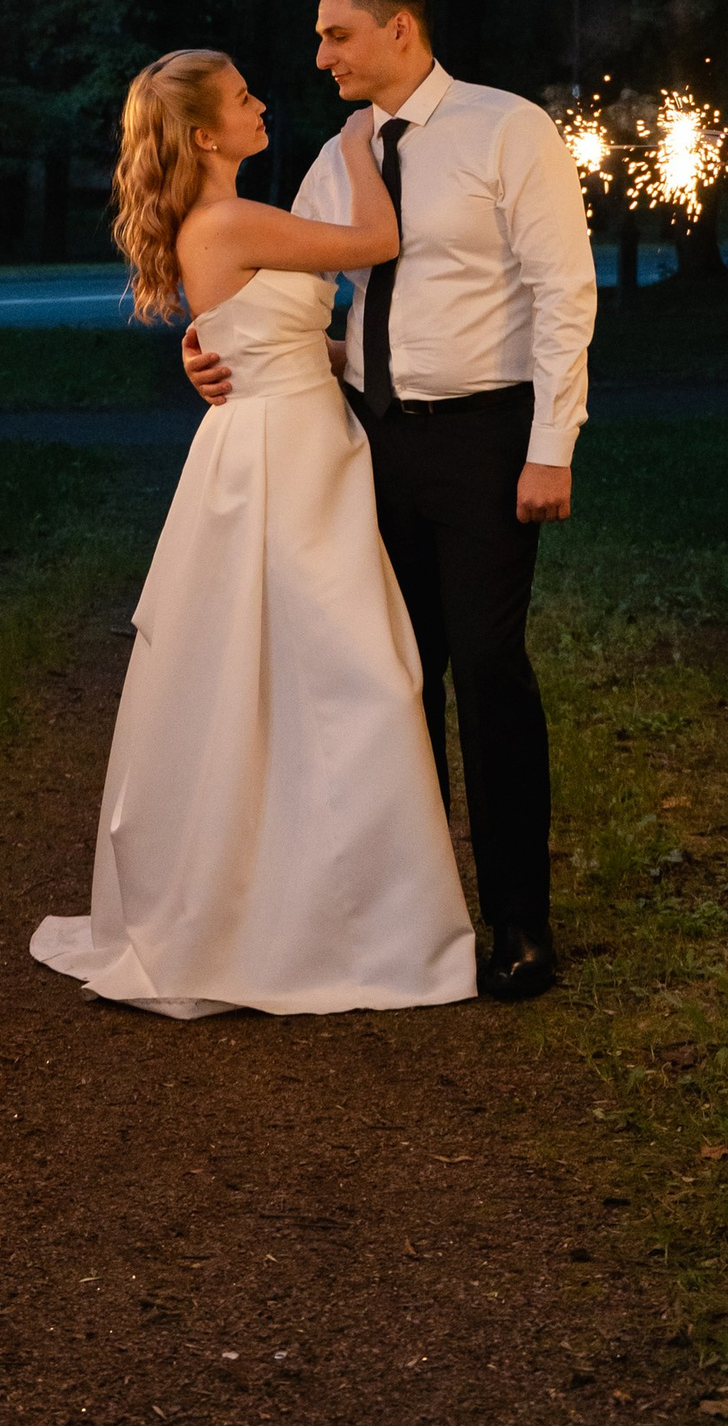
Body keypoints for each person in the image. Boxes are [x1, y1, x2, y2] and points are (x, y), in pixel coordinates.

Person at [179, 0, 595, 1001]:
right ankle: (412, 912)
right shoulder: (337, 155)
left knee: (489, 664)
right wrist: (221, 346)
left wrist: (553, 443)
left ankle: (518, 921)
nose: (319, 56)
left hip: (487, 441)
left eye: (336, 36)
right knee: (393, 680)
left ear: (397, 29)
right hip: (366, 442)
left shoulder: (508, 129)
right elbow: (304, 292)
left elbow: (563, 291)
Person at [35, 52, 475, 1017]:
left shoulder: (226, 222)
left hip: (296, 444)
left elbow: (282, 335)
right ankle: (337, 919)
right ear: (204, 135)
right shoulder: (228, 219)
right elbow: (378, 237)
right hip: (279, 463)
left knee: (299, 677)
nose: (262, 100)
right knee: (349, 673)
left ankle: (313, 899)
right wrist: (360, 138)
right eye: (244, 98)